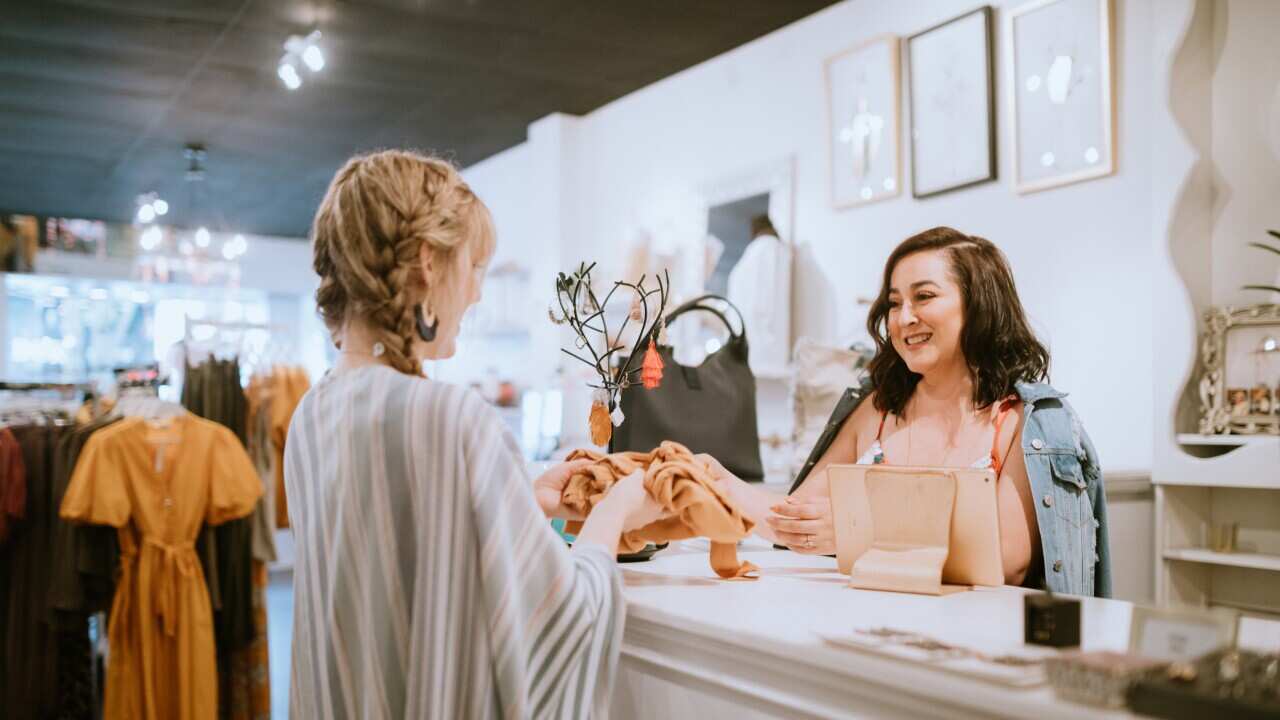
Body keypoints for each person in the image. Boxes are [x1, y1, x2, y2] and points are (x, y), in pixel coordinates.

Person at [285, 150, 665, 718]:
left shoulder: (312, 414)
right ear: (426, 264)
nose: (477, 293)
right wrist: (614, 512)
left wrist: (526, 498)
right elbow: (555, 628)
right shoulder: (450, 417)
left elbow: (403, 576)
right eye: (474, 267)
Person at [709, 226, 1111, 597]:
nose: (904, 318)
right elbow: (794, 522)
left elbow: (1007, 561)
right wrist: (714, 479)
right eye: (894, 302)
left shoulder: (1027, 421)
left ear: (979, 305)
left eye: (924, 296)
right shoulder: (876, 409)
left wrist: (856, 533)